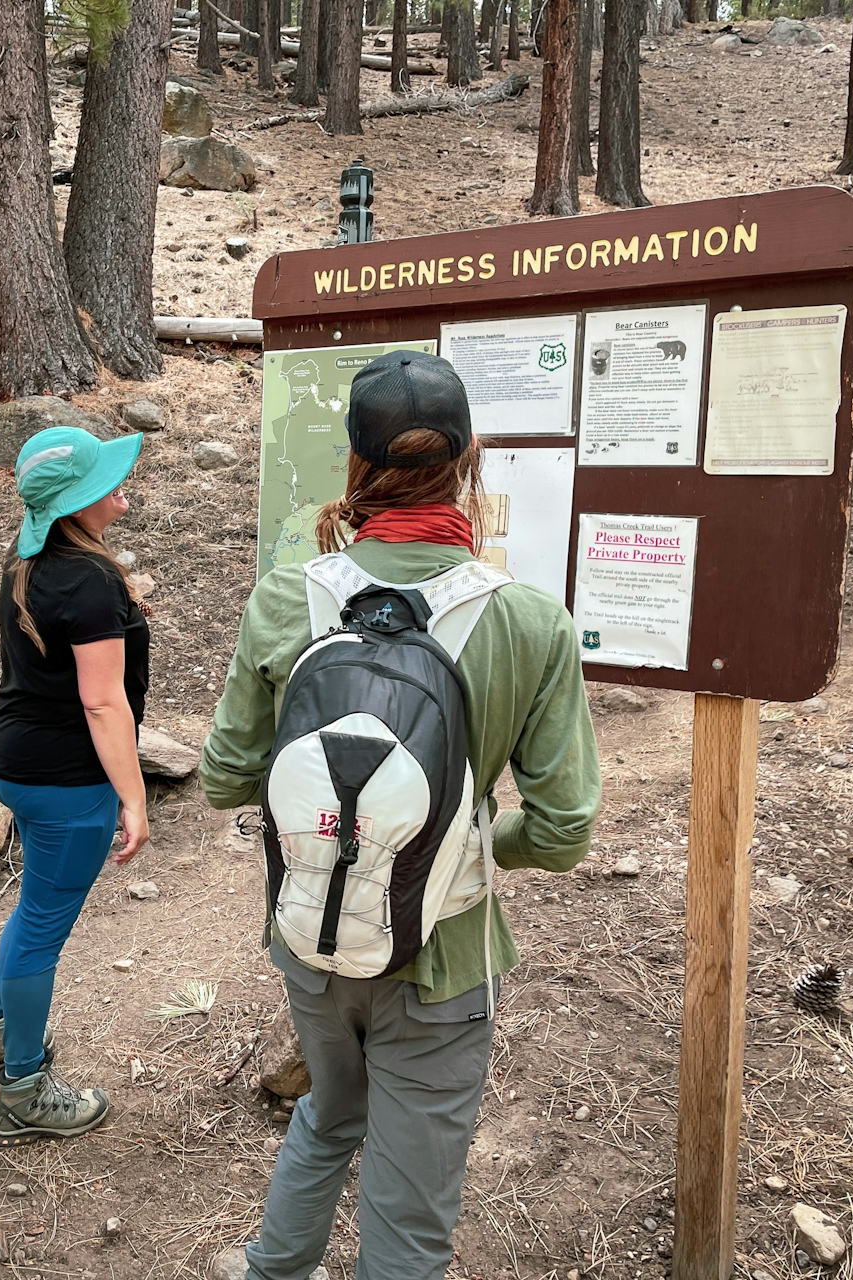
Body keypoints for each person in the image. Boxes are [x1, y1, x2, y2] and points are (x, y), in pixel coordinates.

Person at [200, 351, 601, 1280]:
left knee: (329, 1115)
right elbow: (563, 827)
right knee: (411, 1218)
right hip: (443, 955)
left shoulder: (285, 597)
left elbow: (224, 777)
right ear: (469, 462)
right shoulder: (530, 623)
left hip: (307, 933)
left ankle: (274, 1269)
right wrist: (459, 842)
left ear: (354, 463)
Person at [0, 425, 151, 1147]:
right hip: (68, 779)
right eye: (104, 477)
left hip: (15, 759)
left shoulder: (30, 554)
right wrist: (132, 795)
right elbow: (103, 703)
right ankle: (24, 1089)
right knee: (42, 928)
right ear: (76, 500)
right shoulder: (90, 579)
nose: (119, 485)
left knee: (34, 908)